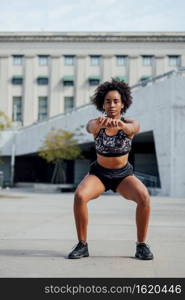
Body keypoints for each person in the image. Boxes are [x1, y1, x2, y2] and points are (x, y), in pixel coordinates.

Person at [68, 78, 153, 260]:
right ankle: (82, 245)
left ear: (123, 104)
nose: (112, 105)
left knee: (144, 197)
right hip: (99, 174)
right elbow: (89, 127)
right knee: (80, 196)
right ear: (102, 104)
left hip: (123, 175)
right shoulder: (97, 123)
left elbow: (133, 128)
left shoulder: (130, 123)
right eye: (108, 101)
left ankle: (142, 245)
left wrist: (121, 125)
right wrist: (100, 124)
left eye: (116, 101)